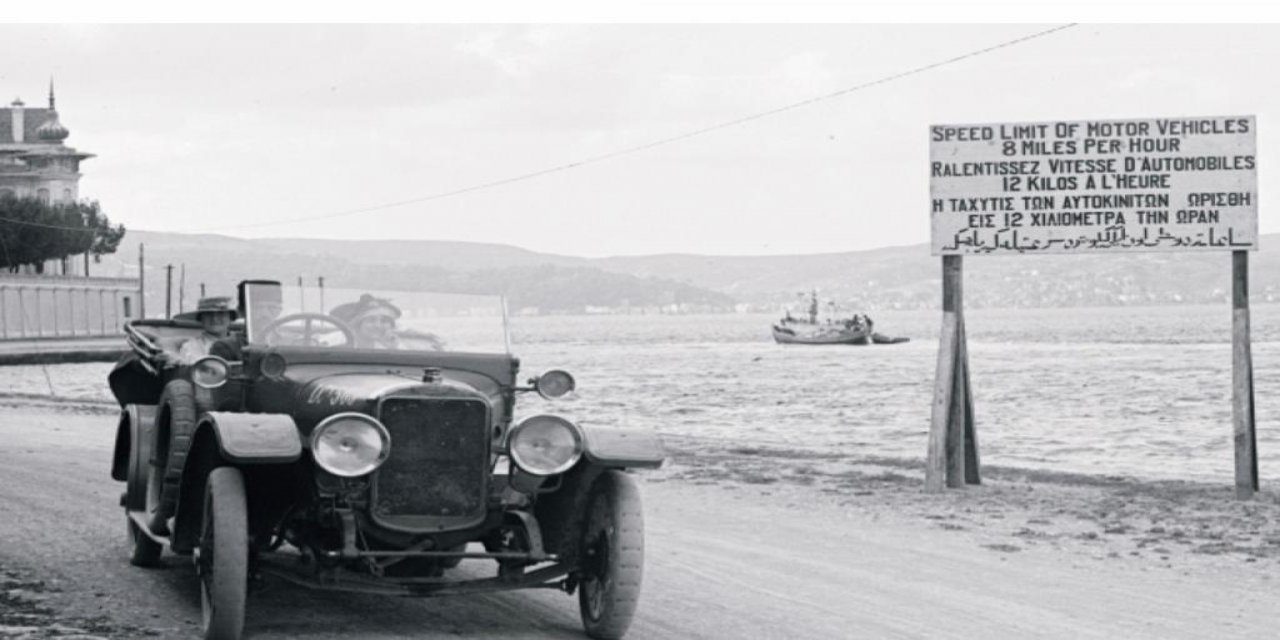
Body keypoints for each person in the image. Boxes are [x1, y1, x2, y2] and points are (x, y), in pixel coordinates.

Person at [168, 296, 237, 365]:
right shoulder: (191, 347)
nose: (214, 319)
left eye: (220, 314)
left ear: (230, 317)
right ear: (201, 319)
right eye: (209, 314)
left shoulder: (242, 342)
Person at [331, 294, 403, 349]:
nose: (378, 325)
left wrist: (392, 349)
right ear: (357, 323)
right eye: (371, 320)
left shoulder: (395, 345)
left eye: (384, 321)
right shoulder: (335, 340)